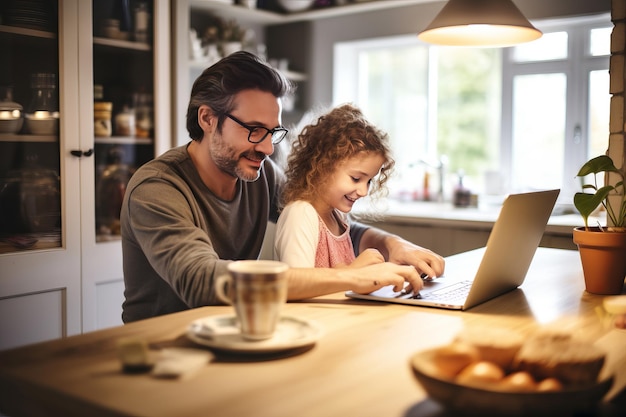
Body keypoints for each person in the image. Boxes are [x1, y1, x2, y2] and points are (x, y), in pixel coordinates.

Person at [120, 51, 444, 323]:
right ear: (207, 119)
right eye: (254, 129)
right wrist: (352, 276)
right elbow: (202, 281)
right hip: (161, 347)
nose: (267, 148)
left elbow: (326, 220)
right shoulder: (157, 188)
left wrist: (396, 246)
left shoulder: (261, 175)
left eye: (272, 132)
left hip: (235, 331)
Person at [275, 103, 396, 270]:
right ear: (323, 166)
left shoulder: (338, 217)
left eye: (369, 181)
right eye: (356, 178)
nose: (363, 191)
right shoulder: (301, 213)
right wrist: (355, 272)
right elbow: (298, 285)